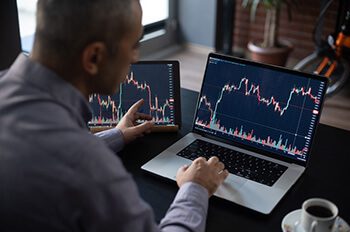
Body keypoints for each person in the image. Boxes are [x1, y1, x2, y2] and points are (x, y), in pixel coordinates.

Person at [0, 0, 229, 231]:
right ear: (94, 58)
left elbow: (47, 153)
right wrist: (196, 187)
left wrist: (117, 134)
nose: (135, 58)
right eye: (133, 45)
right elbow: (68, 158)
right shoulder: (88, 166)